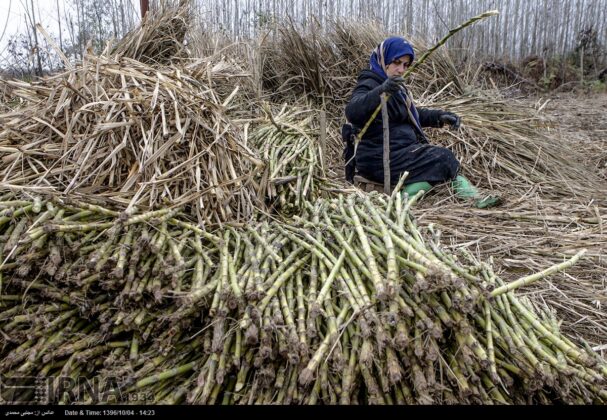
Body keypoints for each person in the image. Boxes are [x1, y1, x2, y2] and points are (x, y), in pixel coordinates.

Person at [344, 36, 500, 209]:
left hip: (399, 153)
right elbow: (352, 111)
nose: (401, 70)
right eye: (396, 62)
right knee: (443, 158)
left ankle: (406, 198)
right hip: (379, 159)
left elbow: (408, 113)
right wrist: (382, 90)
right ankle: (472, 198)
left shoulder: (395, 88)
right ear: (384, 59)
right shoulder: (370, 82)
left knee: (436, 166)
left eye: (405, 65)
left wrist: (439, 117)